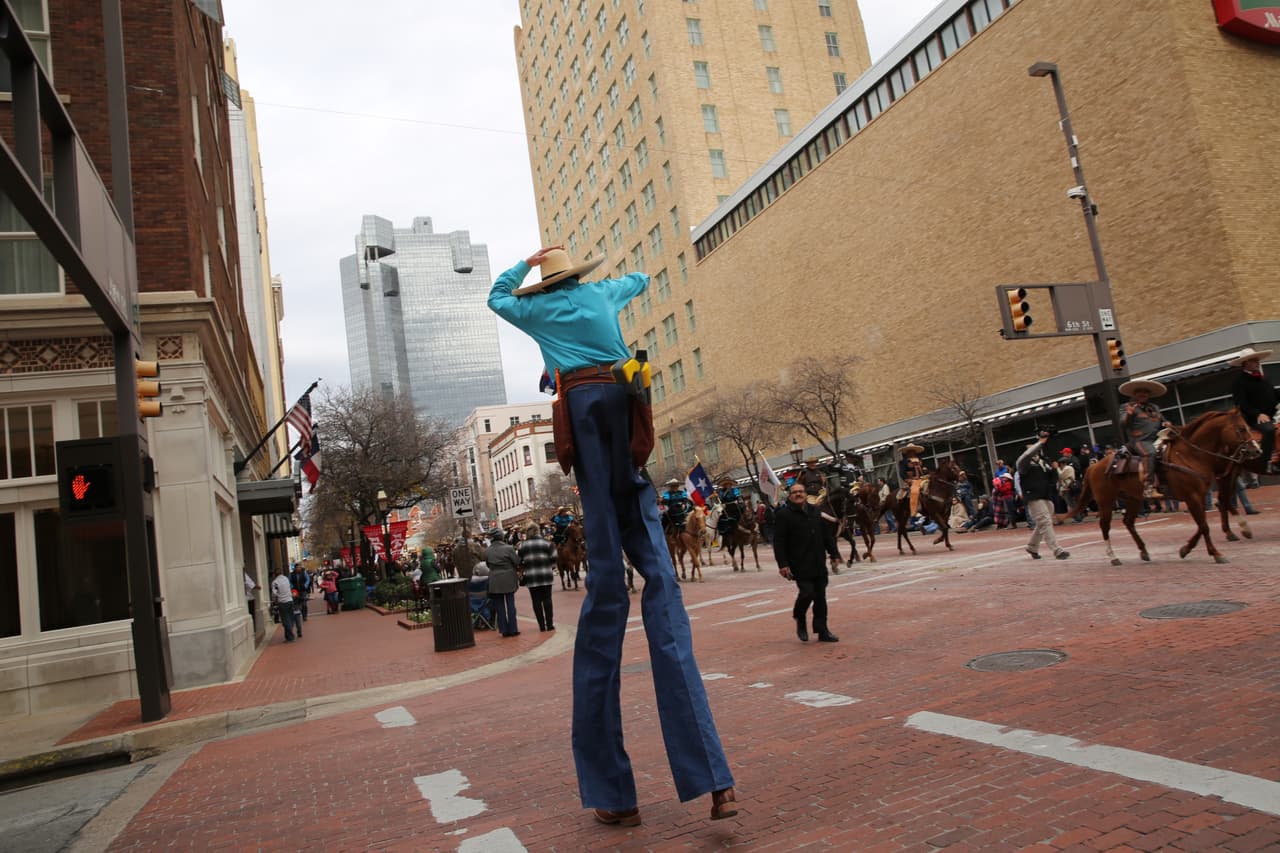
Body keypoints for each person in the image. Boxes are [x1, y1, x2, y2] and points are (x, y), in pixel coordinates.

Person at [488, 246, 736, 825]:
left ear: (544, 286)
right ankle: (714, 781)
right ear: (579, 276)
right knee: (660, 583)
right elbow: (643, 276)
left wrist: (524, 265)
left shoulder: (536, 312)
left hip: (582, 407)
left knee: (603, 590)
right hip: (626, 405)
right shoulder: (604, 293)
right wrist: (616, 285)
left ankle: (615, 796)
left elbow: (497, 296)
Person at [773, 482, 842, 643]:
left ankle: (822, 630)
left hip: (818, 561)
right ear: (790, 496)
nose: (798, 494)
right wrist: (783, 564)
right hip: (799, 563)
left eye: (801, 492)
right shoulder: (784, 515)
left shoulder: (815, 511)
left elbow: (826, 535)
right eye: (794, 492)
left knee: (820, 597)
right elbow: (779, 542)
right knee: (807, 593)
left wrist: (834, 553)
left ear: (805, 494)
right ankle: (800, 617)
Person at [1017, 430, 1070, 560]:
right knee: (1045, 521)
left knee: (1042, 523)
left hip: (1046, 495)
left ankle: (1032, 547)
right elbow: (1027, 454)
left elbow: (1053, 479)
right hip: (1033, 496)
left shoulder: (1043, 461)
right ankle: (1057, 550)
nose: (1034, 449)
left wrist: (1054, 469)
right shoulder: (1023, 463)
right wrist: (1040, 442)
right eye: (1031, 447)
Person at [1229, 347, 1277, 473]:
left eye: (1257, 360)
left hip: (1271, 415)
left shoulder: (1264, 378)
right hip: (1252, 419)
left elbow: (1274, 395)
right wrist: (1257, 414)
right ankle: (1266, 462)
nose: (1258, 362)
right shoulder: (1239, 382)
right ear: (1246, 363)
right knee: (1269, 430)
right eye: (1255, 360)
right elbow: (1241, 403)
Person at [1119, 379, 1170, 488]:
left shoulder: (1154, 407)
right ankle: (1148, 485)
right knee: (1150, 452)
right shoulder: (1127, 406)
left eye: (1146, 392)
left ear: (1149, 394)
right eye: (1139, 392)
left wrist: (1167, 423)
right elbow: (1123, 423)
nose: (1143, 394)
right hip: (1140, 441)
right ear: (1134, 394)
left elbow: (1163, 421)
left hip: (1157, 439)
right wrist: (1129, 414)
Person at [517, 522, 557, 631]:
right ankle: (549, 624)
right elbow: (554, 559)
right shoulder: (547, 543)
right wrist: (550, 568)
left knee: (536, 600)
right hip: (546, 575)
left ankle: (541, 626)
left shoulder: (522, 546)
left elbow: (519, 562)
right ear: (538, 530)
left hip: (531, 576)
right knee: (547, 599)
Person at [485, 535, 522, 637]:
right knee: (510, 604)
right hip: (508, 577)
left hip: (495, 579)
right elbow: (517, 561)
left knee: (499, 606)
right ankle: (513, 629)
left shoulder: (488, 550)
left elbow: (488, 564)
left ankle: (504, 630)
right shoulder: (508, 548)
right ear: (501, 538)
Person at [270, 568, 300, 642]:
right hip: (290, 600)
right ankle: (287, 636)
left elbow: (274, 593)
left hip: (282, 602)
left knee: (285, 620)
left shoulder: (275, 582)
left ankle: (291, 637)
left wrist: (275, 599)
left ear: (274, 574)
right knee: (289, 618)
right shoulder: (286, 579)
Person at [896, 444, 926, 516]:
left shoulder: (920, 460)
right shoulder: (903, 462)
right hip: (912, 480)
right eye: (910, 451)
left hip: (923, 478)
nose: (912, 453)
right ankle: (916, 510)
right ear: (907, 453)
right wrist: (907, 479)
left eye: (913, 451)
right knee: (915, 491)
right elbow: (902, 473)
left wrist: (924, 470)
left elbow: (924, 469)